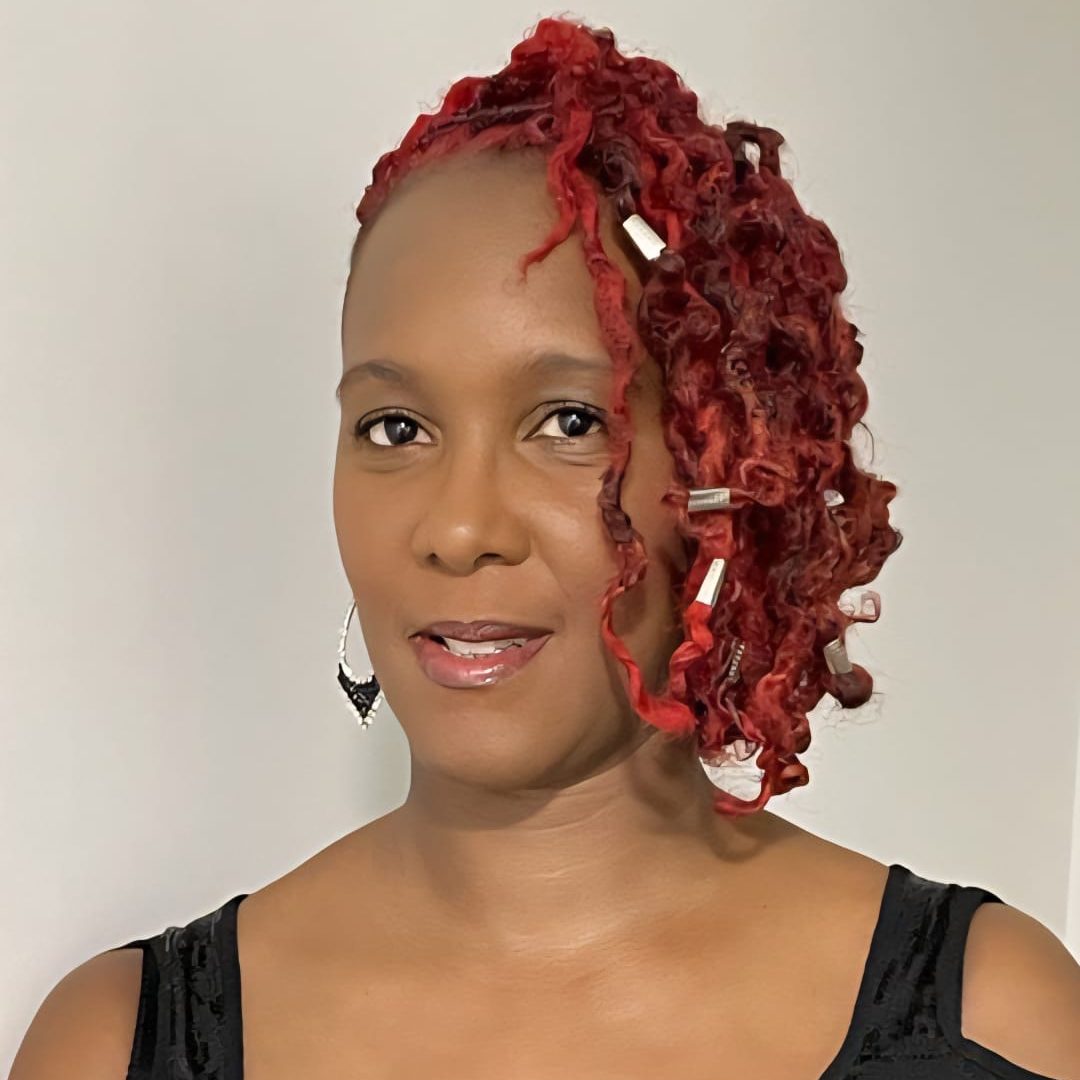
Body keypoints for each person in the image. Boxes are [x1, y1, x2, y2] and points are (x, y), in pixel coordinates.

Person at [11, 15, 1080, 1080]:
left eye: (569, 421)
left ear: (727, 469)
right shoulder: (117, 1045)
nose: (460, 528)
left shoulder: (993, 1024)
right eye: (396, 429)